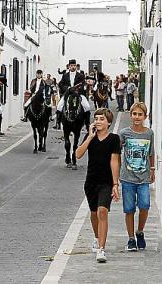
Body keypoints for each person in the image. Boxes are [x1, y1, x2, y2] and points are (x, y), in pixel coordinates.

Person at [76, 108, 121, 263]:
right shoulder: (90, 137)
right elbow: (78, 154)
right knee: (94, 213)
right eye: (96, 118)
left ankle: (101, 249)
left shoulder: (114, 139)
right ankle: (96, 237)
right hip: (91, 182)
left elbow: (114, 161)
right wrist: (89, 137)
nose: (98, 121)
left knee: (103, 211)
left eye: (102, 119)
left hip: (106, 182)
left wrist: (115, 183)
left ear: (108, 122)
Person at [119, 102, 155, 251]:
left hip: (143, 177)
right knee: (129, 209)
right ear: (130, 115)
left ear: (145, 117)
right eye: (134, 114)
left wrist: (152, 169)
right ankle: (131, 238)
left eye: (140, 114)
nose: (137, 117)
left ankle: (140, 231)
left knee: (145, 205)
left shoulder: (149, 133)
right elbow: (115, 152)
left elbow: (151, 153)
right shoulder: (124, 133)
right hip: (127, 177)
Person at [54, 59, 91, 130]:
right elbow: (61, 84)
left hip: (78, 94)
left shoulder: (81, 75)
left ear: (76, 66)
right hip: (67, 94)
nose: (73, 67)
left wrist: (76, 89)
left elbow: (83, 84)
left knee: (87, 106)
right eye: (71, 65)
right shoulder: (65, 75)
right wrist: (67, 88)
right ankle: (58, 123)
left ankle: (87, 124)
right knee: (59, 106)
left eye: (74, 65)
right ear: (69, 66)